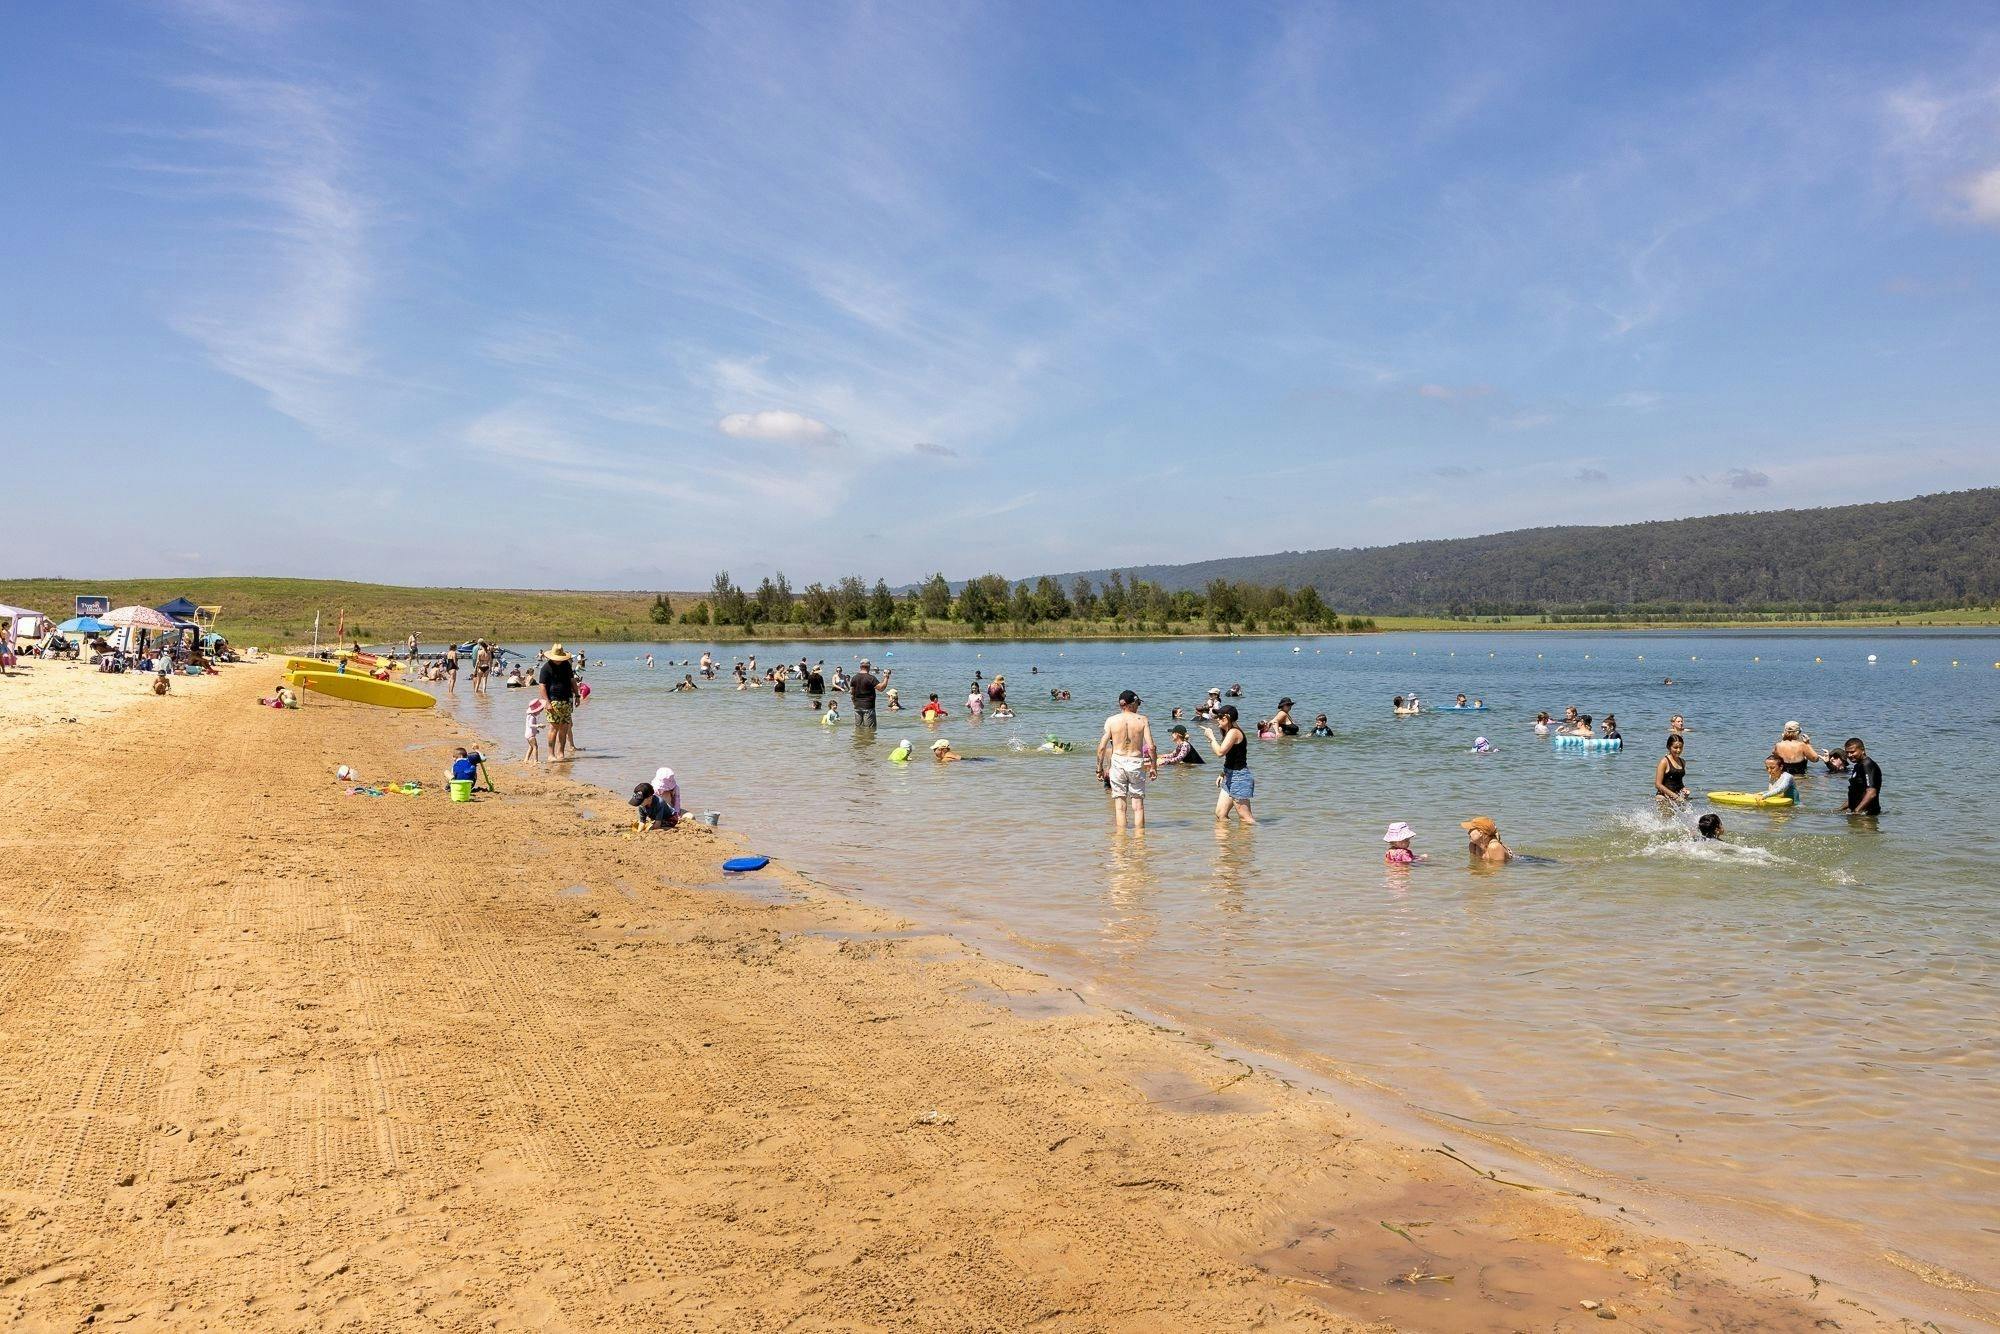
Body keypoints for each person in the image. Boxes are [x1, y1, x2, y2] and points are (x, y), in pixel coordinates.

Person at [1095, 689, 1158, 830]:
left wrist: (1099, 768)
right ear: (1132, 703)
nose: (1138, 707)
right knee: (1138, 807)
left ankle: (1121, 842)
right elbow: (1151, 746)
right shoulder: (1142, 720)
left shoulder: (1111, 720)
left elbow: (1101, 747)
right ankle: (1140, 842)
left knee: (1120, 808)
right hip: (1136, 762)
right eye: (1138, 704)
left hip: (1118, 763)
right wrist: (1153, 767)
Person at [1200, 704, 1255, 824]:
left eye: (1219, 717)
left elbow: (1220, 752)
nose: (1217, 719)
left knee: (1246, 819)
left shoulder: (1234, 732)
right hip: (1230, 775)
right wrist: (1223, 773)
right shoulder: (1229, 731)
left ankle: (1256, 839)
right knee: (1220, 814)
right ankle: (1229, 841)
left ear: (1227, 717)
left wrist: (1211, 738)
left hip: (1240, 777)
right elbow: (1232, 757)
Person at [537, 643, 579, 761]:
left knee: (565, 727)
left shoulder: (566, 665)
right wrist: (547, 701)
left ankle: (560, 753)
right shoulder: (546, 668)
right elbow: (542, 686)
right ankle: (551, 755)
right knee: (553, 727)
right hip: (553, 700)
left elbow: (572, 681)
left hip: (567, 700)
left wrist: (577, 695)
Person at [1837, 737, 1883, 815]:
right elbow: (1856, 795)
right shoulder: (1857, 766)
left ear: (1862, 750)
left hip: (1867, 816)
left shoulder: (1868, 765)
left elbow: (1871, 793)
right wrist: (1839, 809)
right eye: (1847, 752)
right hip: (1858, 814)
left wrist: (1857, 811)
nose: (1849, 755)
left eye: (1852, 752)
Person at [848, 659, 883, 728]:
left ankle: (859, 738)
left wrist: (855, 703)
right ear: (869, 667)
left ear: (860, 666)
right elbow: (881, 688)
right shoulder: (871, 678)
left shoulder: (854, 678)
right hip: (868, 707)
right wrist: (886, 678)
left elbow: (852, 693)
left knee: (858, 728)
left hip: (857, 707)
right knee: (869, 729)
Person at [1655, 733, 1688, 804]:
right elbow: (1658, 784)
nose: (1678, 750)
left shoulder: (1682, 761)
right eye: (1675, 747)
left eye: (1681, 747)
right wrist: (1674, 796)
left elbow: (1679, 781)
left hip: (1678, 796)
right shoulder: (1664, 762)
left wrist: (1684, 789)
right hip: (1663, 796)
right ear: (1668, 747)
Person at [524, 698, 546, 763]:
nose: (540, 712)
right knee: (535, 747)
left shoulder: (530, 715)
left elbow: (530, 726)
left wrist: (536, 730)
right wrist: (538, 725)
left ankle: (526, 759)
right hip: (531, 736)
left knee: (531, 747)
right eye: (540, 710)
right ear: (536, 710)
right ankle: (535, 760)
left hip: (528, 734)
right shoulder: (532, 717)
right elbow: (530, 725)